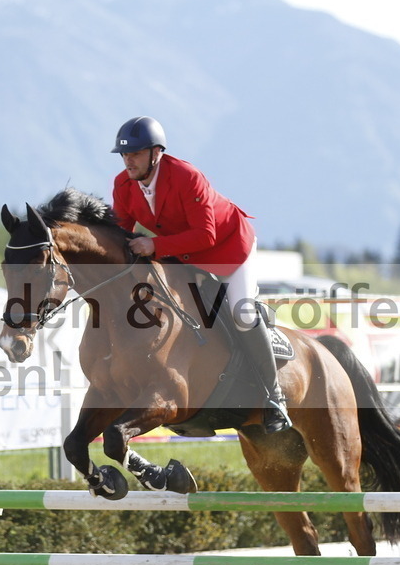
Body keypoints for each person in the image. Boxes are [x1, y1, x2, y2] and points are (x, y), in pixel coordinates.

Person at [110, 116, 291, 434]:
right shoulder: (123, 185)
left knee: (242, 314)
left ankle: (274, 399)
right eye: (125, 155)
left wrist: (152, 245)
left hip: (228, 249)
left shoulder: (186, 176)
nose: (129, 160)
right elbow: (120, 234)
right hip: (181, 254)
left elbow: (206, 236)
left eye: (135, 153)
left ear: (156, 153)